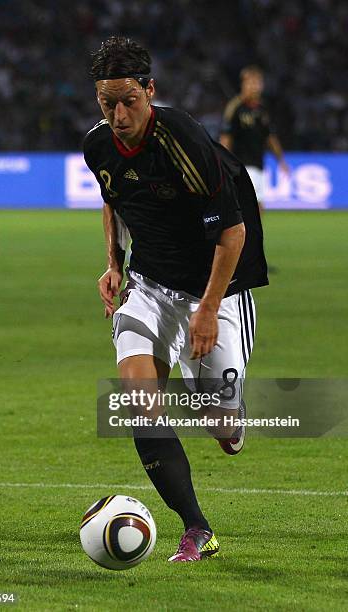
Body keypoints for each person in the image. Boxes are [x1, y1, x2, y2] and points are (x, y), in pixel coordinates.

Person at [84, 37, 268, 563]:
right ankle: (197, 529)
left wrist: (207, 310)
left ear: (150, 91)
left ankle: (228, 416)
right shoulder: (97, 144)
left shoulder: (184, 140)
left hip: (218, 290)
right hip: (148, 284)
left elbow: (231, 233)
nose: (118, 115)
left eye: (128, 101)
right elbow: (112, 198)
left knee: (222, 425)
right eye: (106, 104)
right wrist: (115, 263)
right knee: (140, 405)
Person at [220, 65, 288, 213]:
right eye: (250, 83)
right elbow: (226, 136)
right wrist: (224, 162)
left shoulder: (261, 109)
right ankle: (248, 236)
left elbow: (270, 137)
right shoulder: (236, 108)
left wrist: (281, 160)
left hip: (258, 164)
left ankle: (252, 236)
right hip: (241, 164)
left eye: (257, 83)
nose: (254, 87)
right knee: (250, 207)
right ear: (243, 85)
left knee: (258, 207)